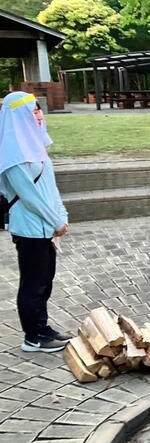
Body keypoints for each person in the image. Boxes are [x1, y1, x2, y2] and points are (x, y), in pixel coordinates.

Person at [0, 91, 71, 353]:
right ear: (19, 115)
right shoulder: (12, 155)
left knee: (45, 279)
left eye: (39, 109)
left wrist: (61, 216)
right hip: (30, 228)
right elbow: (29, 196)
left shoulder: (35, 146)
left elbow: (50, 189)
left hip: (46, 227)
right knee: (33, 283)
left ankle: (43, 328)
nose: (39, 114)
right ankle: (33, 336)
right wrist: (56, 221)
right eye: (33, 110)